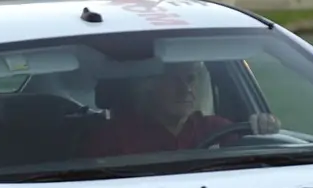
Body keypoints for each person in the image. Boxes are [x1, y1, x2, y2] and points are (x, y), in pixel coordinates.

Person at [84, 61, 279, 157]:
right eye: (173, 80)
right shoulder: (113, 137)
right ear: (148, 87)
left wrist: (265, 128)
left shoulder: (217, 129)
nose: (186, 89)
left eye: (190, 79)